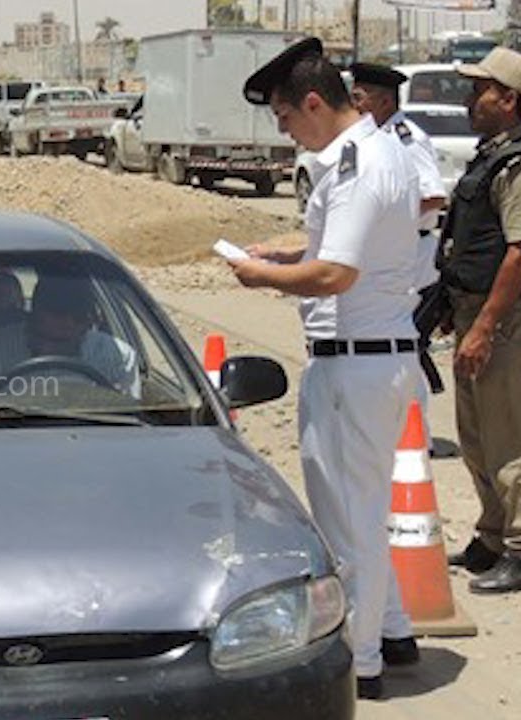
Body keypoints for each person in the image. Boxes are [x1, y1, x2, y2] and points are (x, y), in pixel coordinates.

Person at [229, 37, 424, 699]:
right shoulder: (378, 152)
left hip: (354, 367)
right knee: (363, 514)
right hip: (375, 360)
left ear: (314, 102)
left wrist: (262, 277)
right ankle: (392, 632)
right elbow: (342, 247)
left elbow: (338, 273)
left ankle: (361, 663)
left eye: (286, 118)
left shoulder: (357, 166)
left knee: (349, 525)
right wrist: (285, 253)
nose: (285, 132)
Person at [436, 47, 521, 594]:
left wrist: (487, 326)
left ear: (509, 99)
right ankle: (491, 537)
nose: (471, 99)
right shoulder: (489, 157)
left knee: (508, 439)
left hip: (505, 320)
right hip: (474, 312)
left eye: (481, 90)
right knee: (475, 439)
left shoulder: (515, 165)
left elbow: (519, 252)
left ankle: (518, 546)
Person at [349, 62, 448, 394]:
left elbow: (433, 195)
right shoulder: (376, 138)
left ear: (385, 102)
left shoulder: (406, 138)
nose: (354, 105)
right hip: (397, 254)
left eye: (360, 97)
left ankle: (418, 429)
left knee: (405, 339)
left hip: (416, 258)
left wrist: (389, 219)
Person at [0, 273, 139, 397]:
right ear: (29, 317)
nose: (46, 349)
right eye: (40, 336)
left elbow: (131, 423)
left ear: (86, 327)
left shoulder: (117, 358)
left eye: (60, 342)